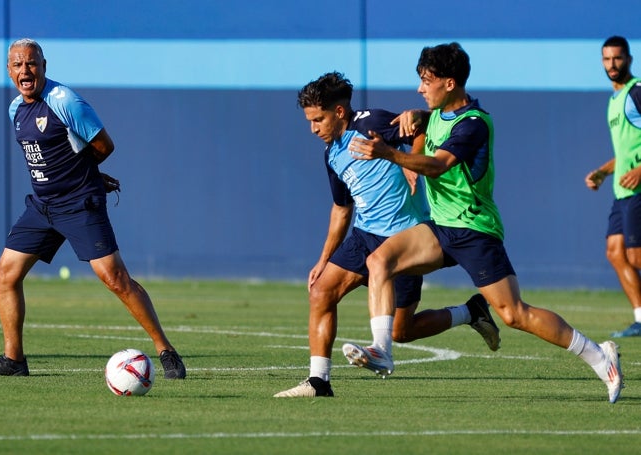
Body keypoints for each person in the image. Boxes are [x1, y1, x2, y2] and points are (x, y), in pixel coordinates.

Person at [345, 42, 624, 403]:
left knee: (514, 314)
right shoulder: (436, 114)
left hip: (475, 230)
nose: (420, 88)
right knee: (379, 260)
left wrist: (389, 153)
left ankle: (600, 356)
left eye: (426, 82)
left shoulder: (475, 124)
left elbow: (439, 164)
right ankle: (382, 350)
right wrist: (418, 115)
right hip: (441, 228)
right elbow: (430, 125)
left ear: (449, 83)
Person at [274, 71, 500, 398]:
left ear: (339, 112)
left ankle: (470, 312)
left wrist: (413, 163)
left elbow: (422, 127)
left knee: (402, 331)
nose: (314, 129)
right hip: (364, 236)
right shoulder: (331, 154)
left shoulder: (372, 122)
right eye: (310, 121)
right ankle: (318, 381)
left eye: (318, 119)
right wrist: (322, 260)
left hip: (404, 241)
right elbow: (341, 209)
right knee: (321, 291)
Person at [0, 38, 186, 379]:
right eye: (18, 65)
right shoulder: (15, 110)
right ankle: (14, 360)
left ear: (43, 66)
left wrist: (89, 177)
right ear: (9, 71)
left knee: (115, 279)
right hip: (41, 207)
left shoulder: (64, 100)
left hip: (79, 204)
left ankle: (166, 350)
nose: (26, 70)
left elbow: (103, 145)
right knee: (6, 275)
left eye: (32, 63)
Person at [585, 36, 641, 338]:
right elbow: (625, 153)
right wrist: (602, 172)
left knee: (636, 257)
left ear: (629, 59)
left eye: (617, 58)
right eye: (607, 59)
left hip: (638, 189)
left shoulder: (637, 92)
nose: (612, 64)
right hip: (622, 192)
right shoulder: (614, 101)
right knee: (614, 251)